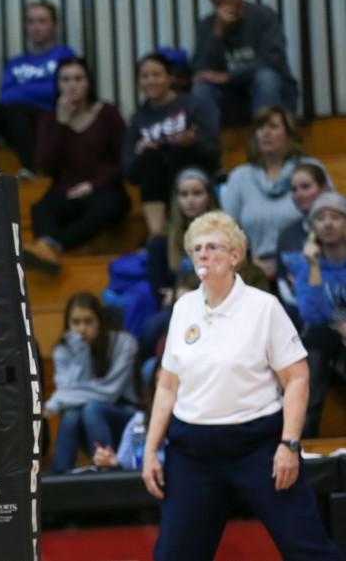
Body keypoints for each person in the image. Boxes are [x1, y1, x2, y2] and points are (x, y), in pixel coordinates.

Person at [142, 211, 343, 561]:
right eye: (197, 249)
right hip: (192, 451)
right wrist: (150, 450)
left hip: (257, 446)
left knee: (307, 548)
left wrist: (289, 444)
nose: (203, 254)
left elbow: (297, 377)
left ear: (236, 256)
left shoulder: (263, 308)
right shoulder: (183, 308)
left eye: (213, 247)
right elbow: (168, 386)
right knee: (174, 555)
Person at [22, 57, 129, 272]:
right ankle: (48, 248)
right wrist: (61, 123)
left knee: (110, 204)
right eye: (65, 79)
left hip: (103, 189)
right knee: (41, 208)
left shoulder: (107, 113)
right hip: (66, 191)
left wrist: (94, 185)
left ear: (88, 82)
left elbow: (123, 160)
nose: (72, 85)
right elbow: (44, 164)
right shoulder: (50, 119)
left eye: (78, 78)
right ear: (58, 85)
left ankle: (52, 247)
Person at [221, 105, 326, 281]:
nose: (265, 133)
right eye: (260, 128)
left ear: (289, 133)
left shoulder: (311, 169)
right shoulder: (239, 177)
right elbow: (225, 230)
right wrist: (248, 260)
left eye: (273, 127)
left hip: (307, 266)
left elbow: (331, 213)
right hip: (253, 272)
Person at [124, 53, 220, 236]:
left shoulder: (192, 105)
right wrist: (139, 153)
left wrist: (192, 142)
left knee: (178, 152)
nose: (151, 80)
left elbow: (213, 150)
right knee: (150, 158)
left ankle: (186, 228)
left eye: (157, 75)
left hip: (192, 170)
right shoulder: (138, 119)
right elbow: (128, 169)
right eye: (145, 76)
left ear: (170, 78)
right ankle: (157, 234)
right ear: (139, 82)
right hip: (156, 182)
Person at [44, 293, 139, 473]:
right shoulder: (62, 349)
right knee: (72, 412)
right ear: (68, 324)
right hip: (85, 421)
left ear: (100, 321)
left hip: (125, 416)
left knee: (91, 408)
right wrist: (81, 351)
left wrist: (55, 401)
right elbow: (67, 391)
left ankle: (106, 473)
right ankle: (60, 476)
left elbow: (109, 392)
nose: (82, 329)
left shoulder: (125, 343)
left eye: (88, 321)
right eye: (76, 322)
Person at [191, 0, 298, 127]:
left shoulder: (263, 16)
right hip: (231, 96)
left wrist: (229, 77)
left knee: (265, 78)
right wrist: (218, 32)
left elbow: (272, 60)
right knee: (201, 88)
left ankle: (265, 140)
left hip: (268, 90)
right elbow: (200, 71)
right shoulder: (207, 24)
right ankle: (209, 146)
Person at [282, 192, 346, 438]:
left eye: (335, 217)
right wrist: (315, 266)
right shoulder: (303, 264)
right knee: (316, 340)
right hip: (324, 337)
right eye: (320, 218)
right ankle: (303, 442)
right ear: (313, 228)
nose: (328, 223)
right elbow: (312, 314)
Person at [0, 1, 75, 172]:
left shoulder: (64, 55)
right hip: (16, 120)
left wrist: (21, 90)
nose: (36, 27)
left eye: (42, 21)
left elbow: (57, 91)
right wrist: (38, 88)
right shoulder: (15, 62)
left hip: (48, 117)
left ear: (54, 25)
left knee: (13, 109)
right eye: (31, 21)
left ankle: (33, 168)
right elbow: (4, 96)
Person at [146, 168, 220, 305]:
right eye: (183, 194)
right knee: (154, 325)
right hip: (177, 307)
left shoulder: (224, 235)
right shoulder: (161, 242)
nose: (190, 200)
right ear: (176, 199)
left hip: (217, 302)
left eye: (197, 193)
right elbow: (160, 294)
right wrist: (176, 295)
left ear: (210, 196)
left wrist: (186, 294)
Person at [276, 163, 332, 314]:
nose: (298, 194)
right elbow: (283, 285)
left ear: (324, 188)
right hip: (300, 316)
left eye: (306, 187)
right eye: (294, 189)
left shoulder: (340, 230)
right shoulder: (286, 235)